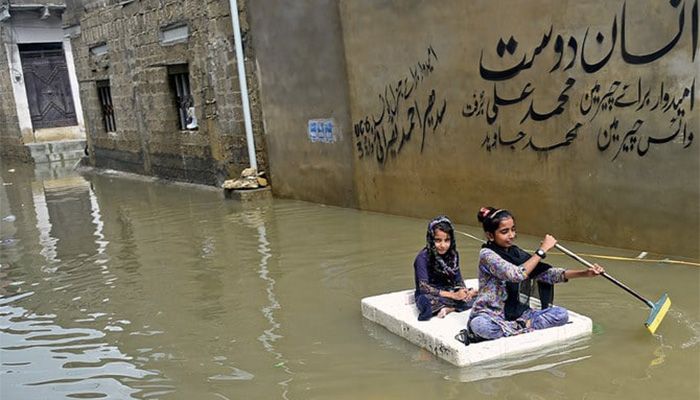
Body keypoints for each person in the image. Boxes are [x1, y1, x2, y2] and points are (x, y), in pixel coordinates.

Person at [467, 207, 605, 341]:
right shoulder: (487, 255)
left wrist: (585, 273)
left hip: (519, 313)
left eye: (513, 229)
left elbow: (547, 274)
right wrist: (542, 250)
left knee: (561, 315)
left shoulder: (516, 253)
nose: (512, 235)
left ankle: (516, 327)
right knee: (480, 326)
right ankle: (521, 327)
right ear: (490, 235)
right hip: (491, 314)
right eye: (505, 231)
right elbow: (516, 275)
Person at [414, 216, 477, 321]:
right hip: (431, 293)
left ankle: (449, 308)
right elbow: (424, 287)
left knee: (477, 297)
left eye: (447, 240)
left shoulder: (453, 255)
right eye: (438, 240)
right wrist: (453, 295)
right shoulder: (422, 258)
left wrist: (462, 291)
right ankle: (452, 306)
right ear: (430, 239)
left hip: (448, 289)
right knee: (426, 303)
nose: (443, 245)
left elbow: (458, 278)